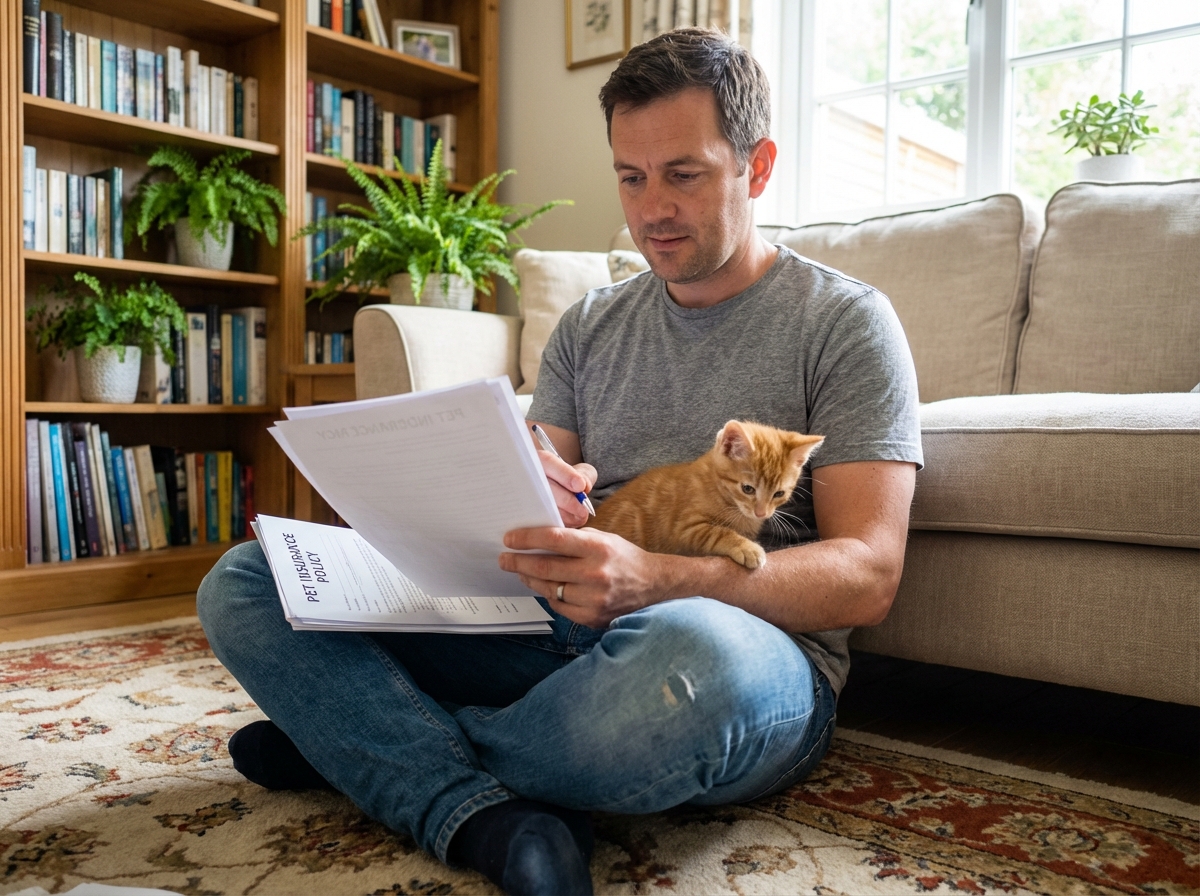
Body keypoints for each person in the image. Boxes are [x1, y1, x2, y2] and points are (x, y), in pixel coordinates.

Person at [197, 27, 922, 896]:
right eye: (630, 176)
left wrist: (657, 577)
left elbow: (868, 574)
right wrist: (485, 493)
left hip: (732, 651)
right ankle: (483, 801)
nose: (652, 208)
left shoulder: (846, 323)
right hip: (551, 631)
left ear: (755, 168)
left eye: (683, 174)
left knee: (691, 667)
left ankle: (378, 750)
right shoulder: (590, 326)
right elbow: (539, 496)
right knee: (247, 580)